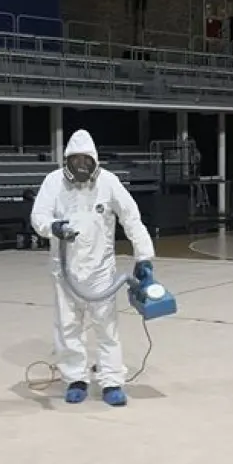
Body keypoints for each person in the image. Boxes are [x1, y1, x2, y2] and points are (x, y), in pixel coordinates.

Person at [29, 129, 156, 407]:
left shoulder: (109, 183)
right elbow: (38, 216)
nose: (82, 166)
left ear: (95, 160)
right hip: (64, 271)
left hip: (101, 271)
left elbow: (131, 218)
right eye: (76, 161)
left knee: (106, 328)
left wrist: (143, 256)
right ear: (68, 161)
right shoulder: (53, 182)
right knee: (67, 326)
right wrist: (53, 228)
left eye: (87, 160)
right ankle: (75, 378)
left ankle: (111, 381)